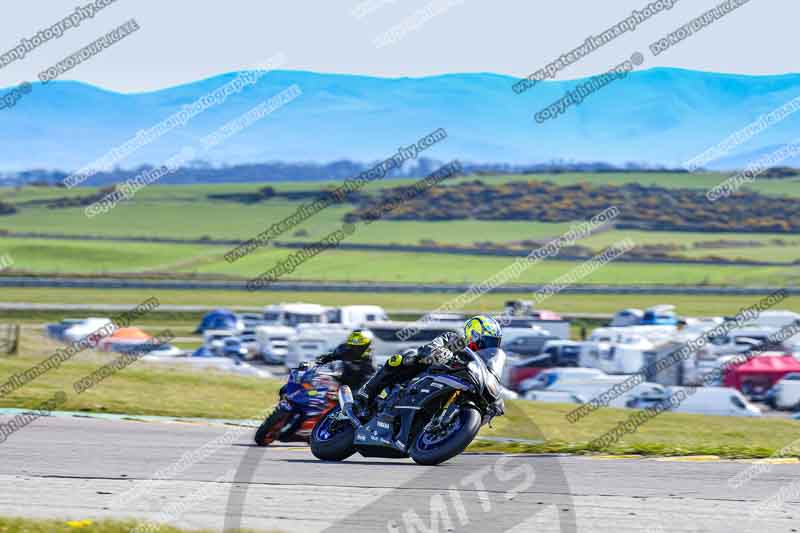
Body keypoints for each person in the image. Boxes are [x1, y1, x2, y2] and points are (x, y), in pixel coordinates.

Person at [355, 315, 503, 411]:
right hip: (428, 373)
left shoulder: (482, 364)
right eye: (488, 341)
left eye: (494, 343)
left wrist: (496, 400)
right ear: (474, 335)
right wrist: (440, 352)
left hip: (455, 385)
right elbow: (431, 347)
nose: (490, 346)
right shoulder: (454, 339)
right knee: (406, 357)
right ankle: (366, 393)